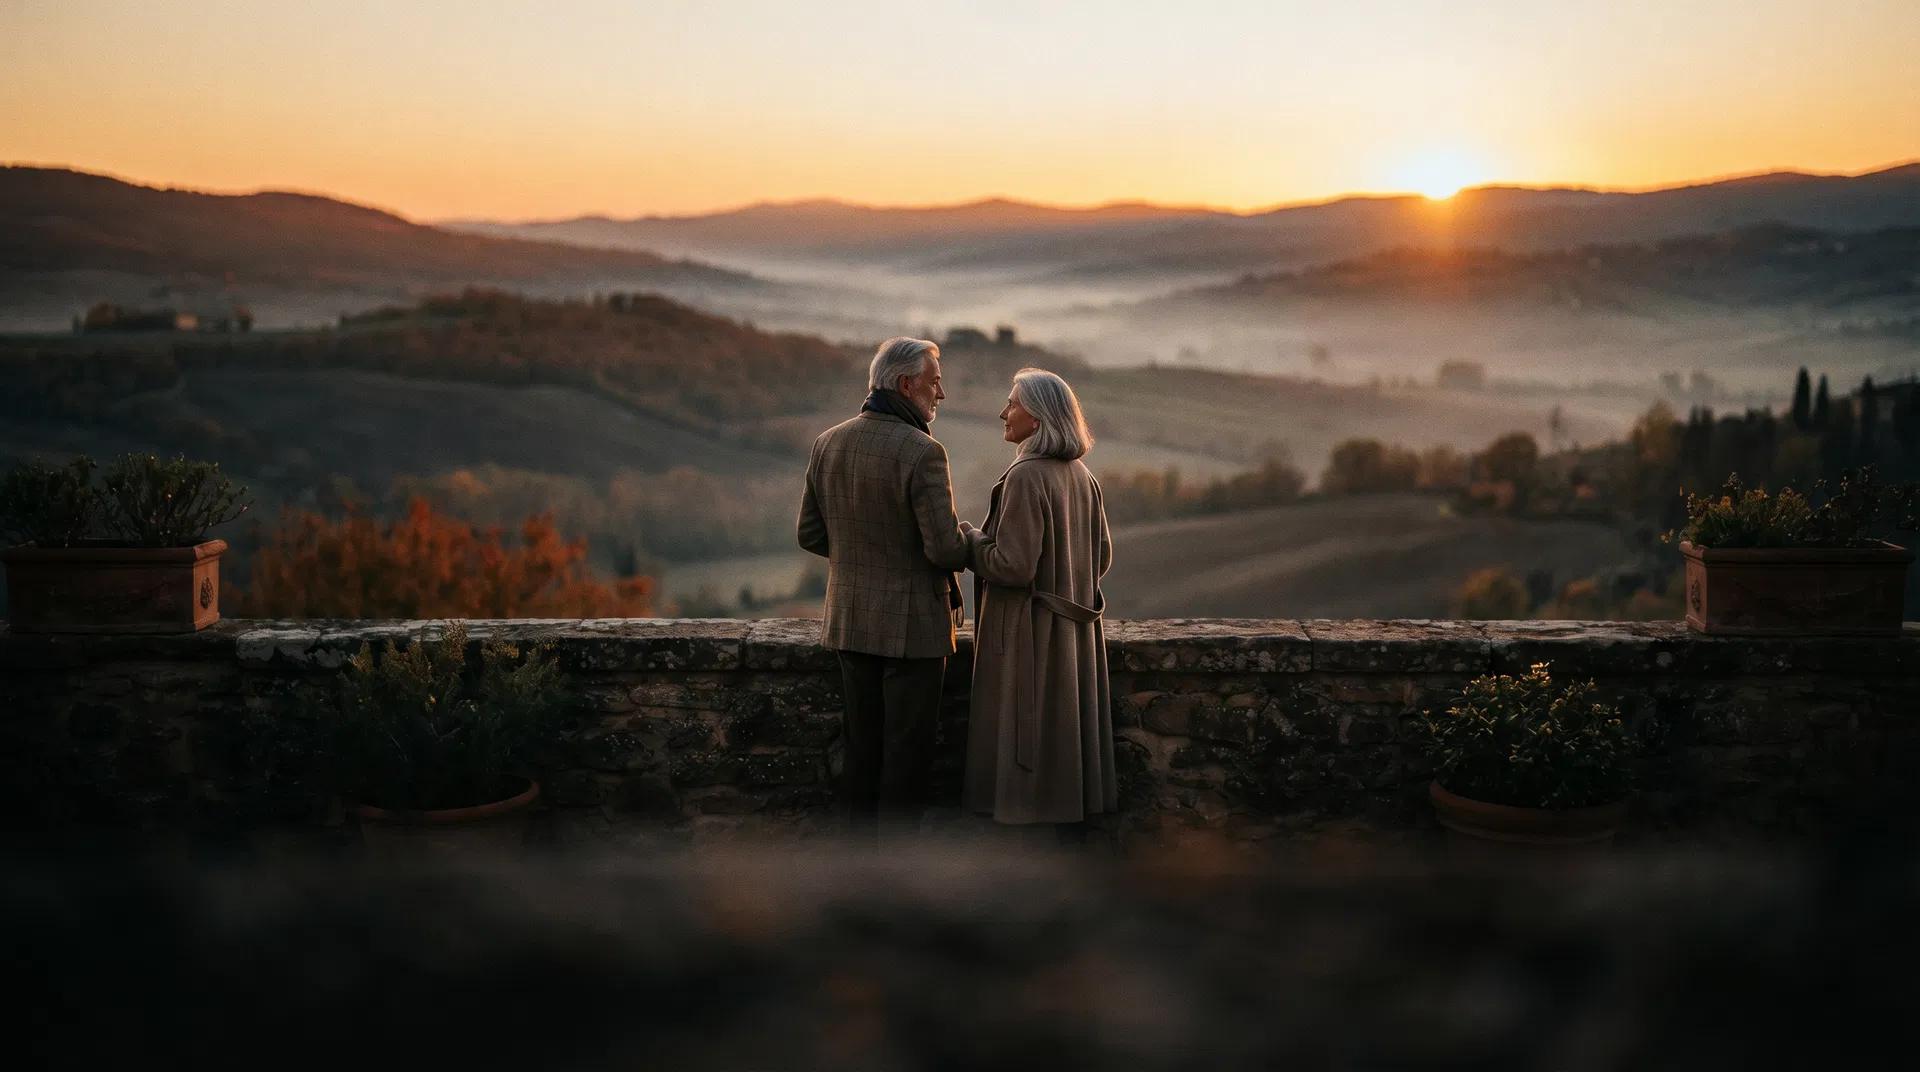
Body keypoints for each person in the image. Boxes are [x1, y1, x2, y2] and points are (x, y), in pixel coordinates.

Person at [798, 336, 971, 843]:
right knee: (907, 759)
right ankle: (893, 879)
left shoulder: (826, 442)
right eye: (935, 383)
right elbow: (943, 549)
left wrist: (861, 558)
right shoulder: (923, 453)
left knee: (862, 751)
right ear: (905, 384)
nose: (942, 395)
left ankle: (855, 870)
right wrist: (982, 542)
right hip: (913, 630)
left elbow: (810, 535)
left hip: (849, 622)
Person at [961, 368, 1117, 838]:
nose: (1003, 412)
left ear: (1039, 416)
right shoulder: (1082, 475)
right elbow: (1102, 557)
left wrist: (969, 540)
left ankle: (1024, 840)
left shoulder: (1027, 477)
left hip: (1030, 634)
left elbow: (1013, 566)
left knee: (1027, 734)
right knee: (1063, 732)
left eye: (1013, 403)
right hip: (1073, 632)